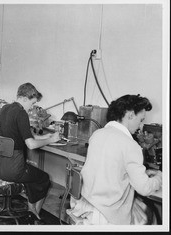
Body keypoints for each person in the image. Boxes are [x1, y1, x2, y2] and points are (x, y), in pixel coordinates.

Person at [67, 94, 162, 225]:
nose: (140, 126)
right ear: (130, 115)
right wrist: (159, 177)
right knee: (150, 214)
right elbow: (144, 189)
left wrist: (142, 174)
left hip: (85, 204)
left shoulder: (97, 134)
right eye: (140, 120)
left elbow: (110, 170)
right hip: (107, 215)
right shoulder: (130, 145)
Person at [0, 82, 61, 223]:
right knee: (43, 178)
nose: (31, 108)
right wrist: (51, 140)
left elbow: (22, 135)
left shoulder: (5, 108)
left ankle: (31, 209)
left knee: (33, 177)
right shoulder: (21, 113)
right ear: (24, 98)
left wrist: (45, 137)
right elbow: (31, 145)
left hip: (0, 166)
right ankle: (34, 214)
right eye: (31, 104)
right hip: (14, 169)